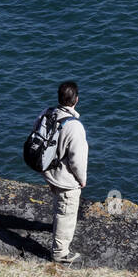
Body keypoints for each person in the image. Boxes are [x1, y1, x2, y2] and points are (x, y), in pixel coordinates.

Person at [39, 80, 88, 265]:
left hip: (49, 171)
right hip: (65, 178)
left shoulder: (48, 113)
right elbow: (77, 160)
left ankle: (55, 230)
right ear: (76, 99)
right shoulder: (74, 126)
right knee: (66, 214)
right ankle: (60, 255)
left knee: (59, 204)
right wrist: (82, 180)